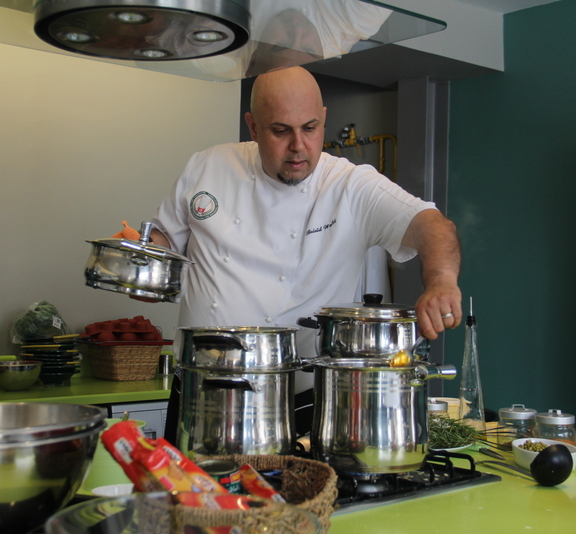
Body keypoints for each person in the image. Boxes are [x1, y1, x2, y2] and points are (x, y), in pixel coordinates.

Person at [145, 66, 462, 443]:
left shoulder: (350, 185)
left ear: (324, 119)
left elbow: (432, 225)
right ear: (253, 127)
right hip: (201, 393)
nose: (298, 146)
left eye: (310, 128)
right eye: (281, 131)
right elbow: (163, 241)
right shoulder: (206, 166)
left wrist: (441, 280)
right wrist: (145, 262)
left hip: (300, 404)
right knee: (188, 500)